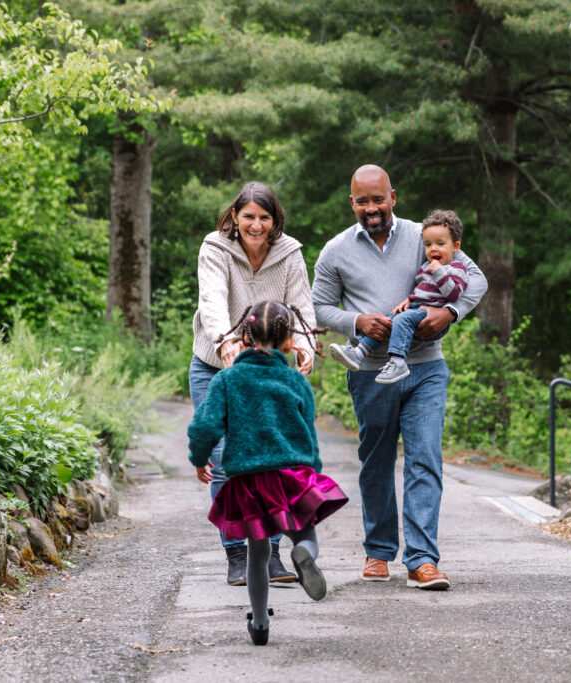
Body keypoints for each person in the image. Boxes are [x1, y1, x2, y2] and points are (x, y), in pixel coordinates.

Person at [311, 165, 487, 591]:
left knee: (425, 458)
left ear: (394, 196)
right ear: (351, 203)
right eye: (362, 201)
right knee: (376, 462)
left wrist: (451, 312)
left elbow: (476, 280)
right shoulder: (335, 251)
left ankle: (423, 561)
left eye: (378, 199)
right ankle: (378, 551)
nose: (372, 208)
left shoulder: (426, 235)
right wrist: (357, 321)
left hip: (426, 368)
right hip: (370, 373)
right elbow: (317, 307)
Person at [188, 301, 348, 646]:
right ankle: (304, 554)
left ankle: (260, 623)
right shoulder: (295, 381)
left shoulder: (228, 379)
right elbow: (308, 434)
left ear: (244, 339)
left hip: (248, 480)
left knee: (257, 553)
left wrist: (199, 458)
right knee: (306, 536)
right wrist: (313, 474)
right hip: (291, 475)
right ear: (290, 343)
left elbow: (205, 426)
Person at [190, 181, 316, 586]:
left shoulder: (289, 253)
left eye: (264, 217)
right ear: (235, 217)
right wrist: (225, 341)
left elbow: (301, 303)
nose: (256, 225)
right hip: (217, 365)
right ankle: (237, 555)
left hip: (270, 370)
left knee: (271, 462)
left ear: (274, 220)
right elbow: (211, 298)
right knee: (229, 464)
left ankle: (272, 553)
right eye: (249, 217)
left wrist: (305, 344)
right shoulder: (215, 247)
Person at [328, 209, 468, 384]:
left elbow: (454, 294)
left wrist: (439, 272)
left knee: (402, 321)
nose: (433, 249)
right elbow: (422, 289)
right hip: (416, 307)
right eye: (428, 244)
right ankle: (358, 353)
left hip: (431, 313)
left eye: (440, 243)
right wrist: (409, 299)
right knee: (385, 322)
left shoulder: (457, 268)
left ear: (455, 246)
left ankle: (398, 362)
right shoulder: (427, 266)